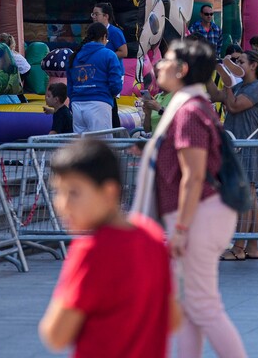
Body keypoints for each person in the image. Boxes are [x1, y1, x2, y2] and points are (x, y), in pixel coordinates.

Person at [148, 38, 247, 358]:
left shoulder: (188, 110)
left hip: (199, 214)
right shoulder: (189, 104)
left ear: (183, 69)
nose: (159, 66)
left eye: (166, 61)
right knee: (191, 307)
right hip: (201, 213)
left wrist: (180, 230)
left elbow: (192, 174)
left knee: (203, 307)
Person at [39, 139, 175, 357]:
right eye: (58, 192)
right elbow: (174, 318)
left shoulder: (90, 251)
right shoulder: (152, 236)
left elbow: (56, 334)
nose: (62, 204)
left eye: (74, 192)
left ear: (109, 192)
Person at [212, 50, 258, 261]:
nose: (237, 64)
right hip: (241, 146)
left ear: (254, 65)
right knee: (251, 197)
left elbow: (234, 106)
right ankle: (252, 247)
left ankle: (238, 246)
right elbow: (215, 96)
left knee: (246, 196)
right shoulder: (243, 86)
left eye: (241, 61)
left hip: (248, 147)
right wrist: (210, 72)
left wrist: (227, 83)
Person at [66, 24, 124, 134]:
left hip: (77, 106)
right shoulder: (109, 55)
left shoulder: (74, 57)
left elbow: (70, 86)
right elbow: (116, 84)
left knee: (81, 148)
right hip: (99, 105)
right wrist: (108, 95)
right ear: (104, 37)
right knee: (101, 147)